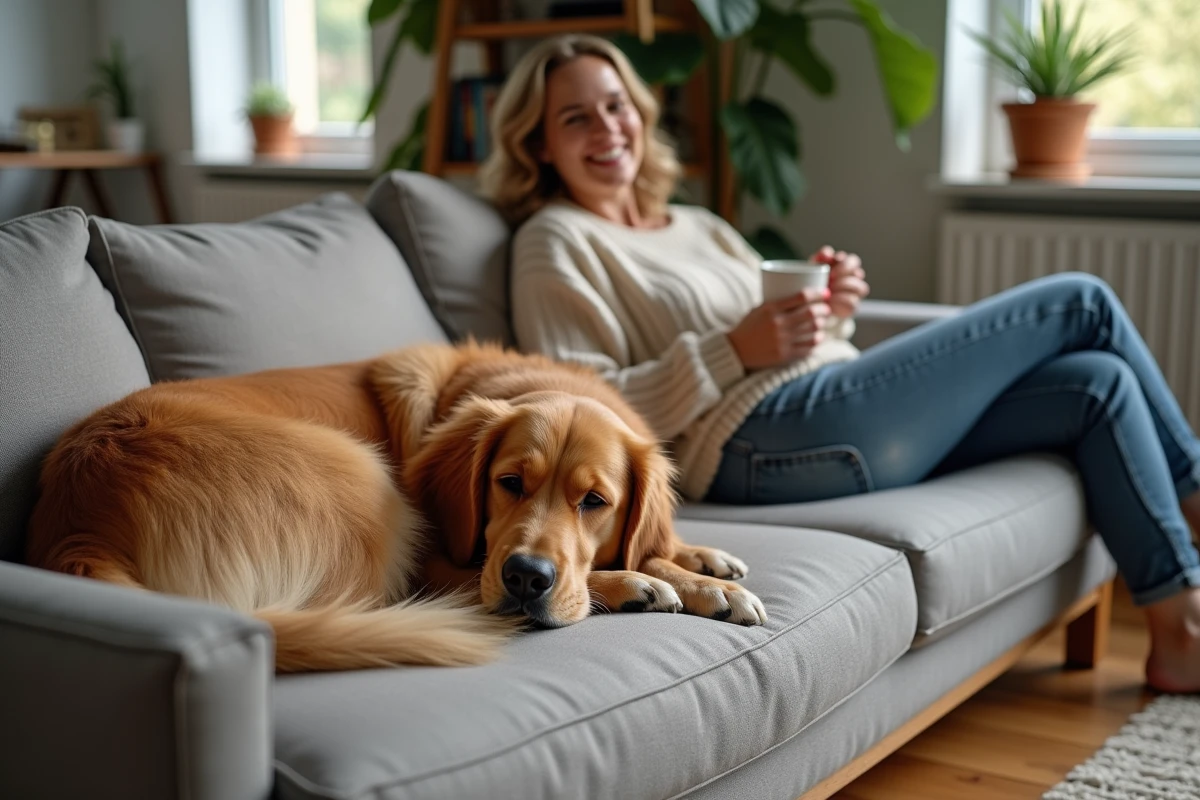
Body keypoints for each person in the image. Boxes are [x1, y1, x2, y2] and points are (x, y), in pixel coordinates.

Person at [477, 34, 1200, 693]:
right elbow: (580, 410)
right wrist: (734, 351)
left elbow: (782, 336)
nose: (607, 129)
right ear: (538, 144)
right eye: (575, 118)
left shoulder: (697, 226)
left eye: (615, 106)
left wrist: (835, 311)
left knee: (1096, 387)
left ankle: (1180, 635)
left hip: (825, 401)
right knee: (1080, 302)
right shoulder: (556, 240)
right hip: (754, 439)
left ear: (639, 113)